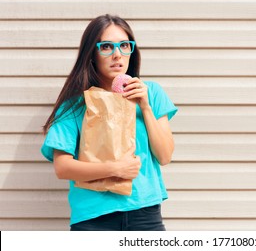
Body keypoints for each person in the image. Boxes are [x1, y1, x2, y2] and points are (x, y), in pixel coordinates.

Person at [41, 14, 178, 231]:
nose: (117, 55)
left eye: (124, 45)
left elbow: (165, 156)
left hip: (145, 213)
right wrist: (115, 169)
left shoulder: (151, 93)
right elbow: (62, 167)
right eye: (106, 47)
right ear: (92, 53)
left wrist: (145, 106)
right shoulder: (76, 104)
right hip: (93, 218)